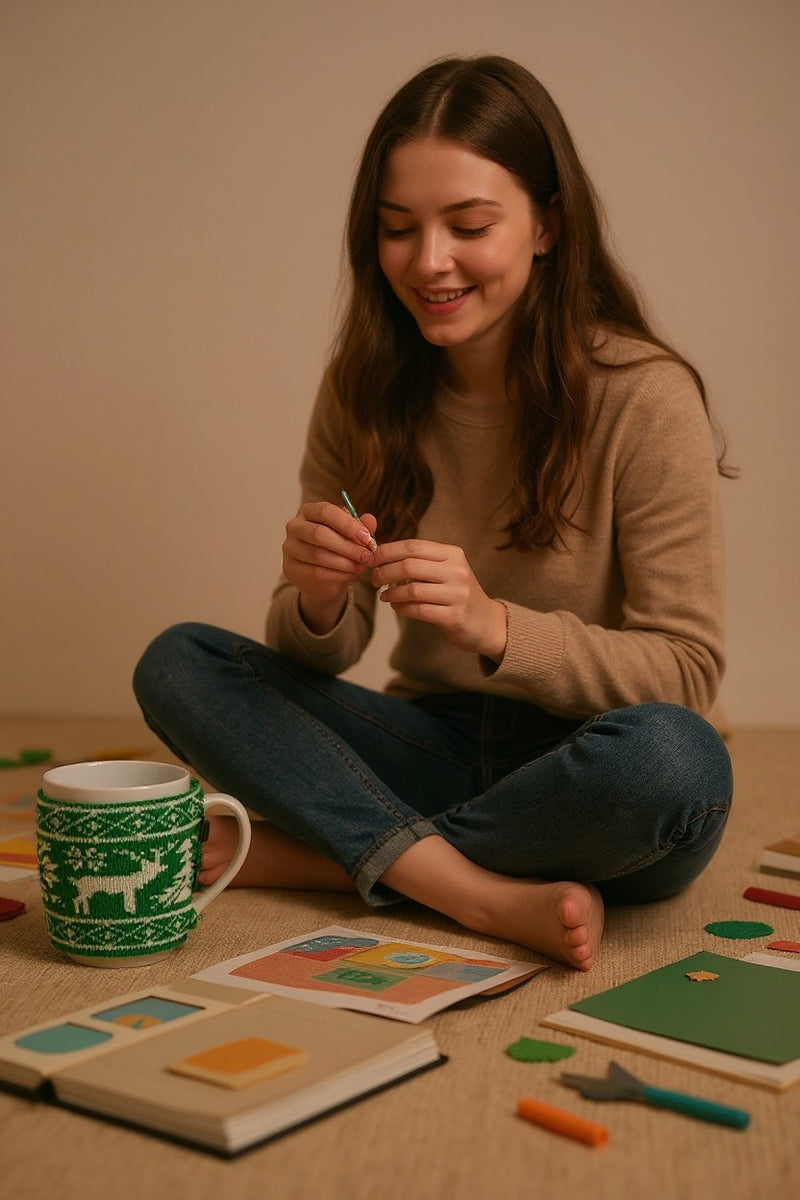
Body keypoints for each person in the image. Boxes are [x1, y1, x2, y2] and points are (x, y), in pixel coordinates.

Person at [133, 55, 734, 971]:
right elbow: (317, 657)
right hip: (429, 741)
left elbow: (688, 672)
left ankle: (329, 856)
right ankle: (475, 892)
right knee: (179, 662)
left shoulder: (645, 396)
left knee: (677, 766)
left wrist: (496, 626)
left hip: (592, 763)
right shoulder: (364, 389)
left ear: (547, 225)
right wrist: (318, 601)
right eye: (398, 229)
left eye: (470, 225)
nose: (429, 262)